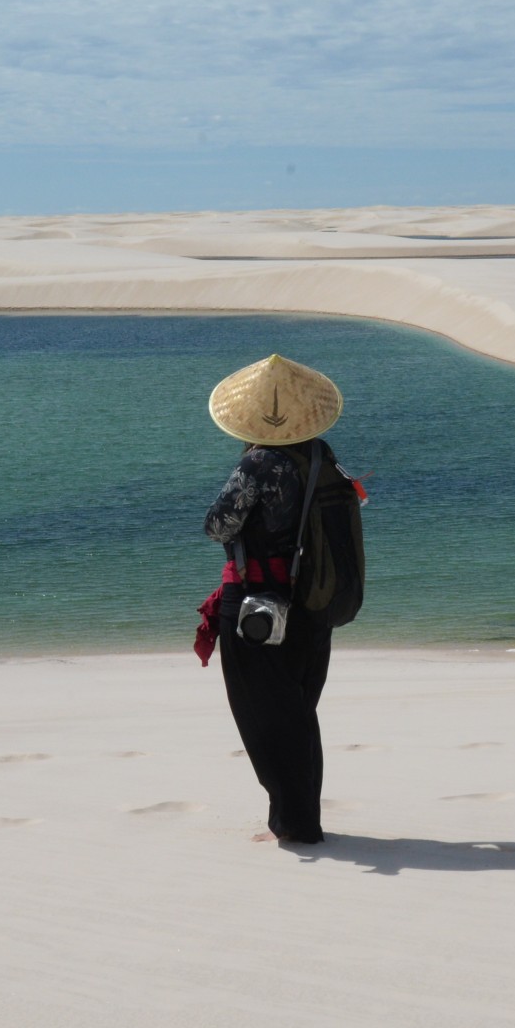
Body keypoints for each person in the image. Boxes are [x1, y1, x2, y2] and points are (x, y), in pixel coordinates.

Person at [193, 353, 350, 845]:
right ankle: (299, 817)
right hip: (313, 602)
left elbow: (217, 525)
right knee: (298, 713)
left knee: (264, 719)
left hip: (258, 607)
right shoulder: (321, 456)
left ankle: (295, 826)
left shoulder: (259, 462)